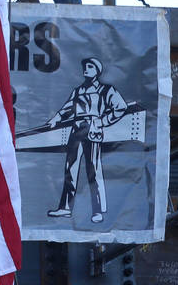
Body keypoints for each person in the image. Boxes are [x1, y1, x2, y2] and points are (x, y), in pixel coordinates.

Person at [47, 58, 127, 223]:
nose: (86, 69)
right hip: (76, 130)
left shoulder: (106, 90)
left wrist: (102, 121)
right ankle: (65, 208)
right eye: (85, 66)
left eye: (90, 67)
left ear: (97, 71)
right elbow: (67, 108)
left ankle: (97, 211)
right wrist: (56, 118)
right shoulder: (78, 91)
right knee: (70, 170)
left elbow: (121, 107)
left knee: (93, 171)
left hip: (93, 130)